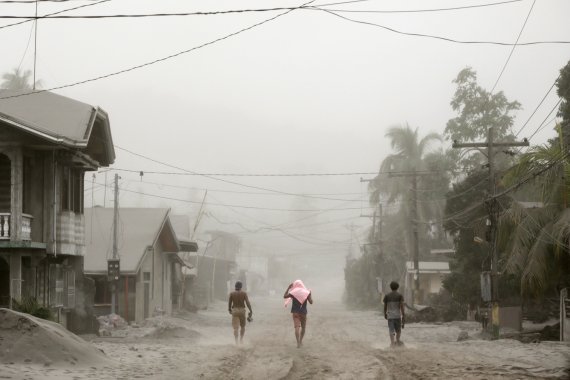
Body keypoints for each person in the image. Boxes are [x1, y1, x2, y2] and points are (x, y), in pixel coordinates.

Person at [283, 280, 313, 348]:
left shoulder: (293, 292)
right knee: (303, 328)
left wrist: (288, 288)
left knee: (297, 328)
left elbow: (284, 296)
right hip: (303, 312)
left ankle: (298, 343)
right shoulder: (307, 292)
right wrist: (310, 294)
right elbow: (311, 302)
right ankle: (301, 340)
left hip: (295, 312)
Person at [228, 280, 253, 345]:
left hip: (235, 310)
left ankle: (236, 342)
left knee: (235, 328)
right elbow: (247, 302)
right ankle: (241, 340)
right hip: (242, 311)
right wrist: (250, 310)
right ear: (241, 287)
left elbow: (230, 303)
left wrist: (229, 310)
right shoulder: (244, 294)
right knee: (242, 326)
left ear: (235, 286)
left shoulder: (232, 294)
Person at [383, 281, 405, 347]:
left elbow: (385, 306)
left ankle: (392, 342)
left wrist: (385, 314)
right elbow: (401, 306)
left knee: (391, 330)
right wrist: (403, 315)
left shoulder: (387, 296)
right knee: (398, 330)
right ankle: (397, 340)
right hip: (398, 316)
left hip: (390, 316)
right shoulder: (400, 296)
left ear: (390, 287)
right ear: (397, 287)